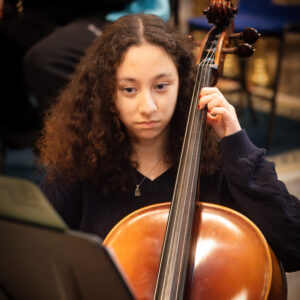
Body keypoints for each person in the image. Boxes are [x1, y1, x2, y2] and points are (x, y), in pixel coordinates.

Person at [38, 14, 300, 273]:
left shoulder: (219, 163)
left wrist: (237, 143)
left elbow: (293, 245)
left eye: (161, 86)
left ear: (183, 83)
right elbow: (40, 259)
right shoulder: (80, 165)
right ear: (106, 93)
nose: (148, 107)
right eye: (129, 89)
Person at [0, 0, 170, 147]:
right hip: (70, 12)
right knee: (9, 38)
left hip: (119, 13)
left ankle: (101, 142)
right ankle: (30, 133)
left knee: (46, 60)